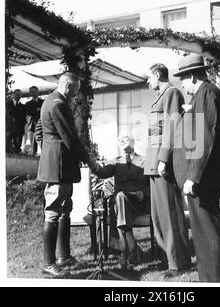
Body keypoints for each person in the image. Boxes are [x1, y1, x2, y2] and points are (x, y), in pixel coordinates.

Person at [172, 54, 220, 282]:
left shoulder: (206, 93)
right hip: (204, 178)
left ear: (191, 75)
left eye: (183, 79)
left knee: (207, 234)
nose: (182, 85)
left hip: (203, 179)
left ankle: (214, 281)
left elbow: (205, 137)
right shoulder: (205, 94)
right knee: (209, 231)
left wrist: (193, 177)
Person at [36, 72, 99, 278]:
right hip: (59, 167)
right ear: (69, 85)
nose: (76, 94)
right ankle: (49, 263)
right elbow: (70, 138)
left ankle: (64, 256)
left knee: (64, 210)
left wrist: (46, 147)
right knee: (53, 211)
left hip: (60, 164)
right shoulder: (58, 104)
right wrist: (90, 160)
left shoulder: (50, 100)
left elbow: (39, 129)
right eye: (76, 90)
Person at [144, 63, 191, 278]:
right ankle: (168, 258)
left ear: (156, 74)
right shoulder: (162, 95)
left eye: (149, 78)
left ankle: (178, 262)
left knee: (170, 213)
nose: (147, 82)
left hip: (164, 165)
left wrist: (163, 159)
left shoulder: (171, 93)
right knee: (159, 215)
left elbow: (172, 128)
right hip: (153, 164)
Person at [93, 132, 150, 270]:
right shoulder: (115, 161)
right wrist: (91, 161)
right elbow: (102, 173)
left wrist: (144, 193)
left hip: (139, 202)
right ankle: (130, 249)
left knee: (119, 201)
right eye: (120, 140)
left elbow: (152, 183)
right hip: (122, 203)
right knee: (119, 197)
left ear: (133, 141)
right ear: (118, 145)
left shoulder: (145, 160)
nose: (123, 140)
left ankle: (127, 250)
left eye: (126, 138)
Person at [25, 86, 44, 155]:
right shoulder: (28, 103)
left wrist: (36, 110)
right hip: (33, 124)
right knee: (33, 139)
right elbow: (28, 112)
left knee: (42, 138)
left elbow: (44, 111)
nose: (34, 93)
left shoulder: (43, 102)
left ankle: (43, 153)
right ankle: (33, 151)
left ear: (37, 92)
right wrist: (37, 110)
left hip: (42, 123)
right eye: (32, 92)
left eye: (35, 91)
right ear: (30, 93)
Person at [8, 89, 26, 154]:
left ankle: (17, 151)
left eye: (19, 95)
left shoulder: (23, 106)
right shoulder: (8, 104)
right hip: (10, 127)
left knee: (18, 143)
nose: (18, 96)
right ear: (13, 95)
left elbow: (23, 118)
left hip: (19, 128)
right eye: (17, 95)